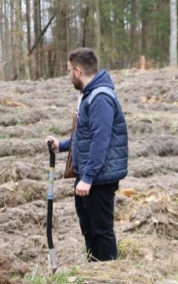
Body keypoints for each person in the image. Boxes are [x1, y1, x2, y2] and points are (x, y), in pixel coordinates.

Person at [47, 47, 127, 261]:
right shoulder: (89, 95)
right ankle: (94, 270)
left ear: (78, 71)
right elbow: (87, 135)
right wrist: (62, 146)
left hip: (99, 178)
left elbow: (101, 140)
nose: (68, 76)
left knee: (101, 231)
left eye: (68, 71)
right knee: (89, 228)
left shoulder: (100, 98)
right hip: (88, 176)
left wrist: (88, 177)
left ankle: (109, 275)